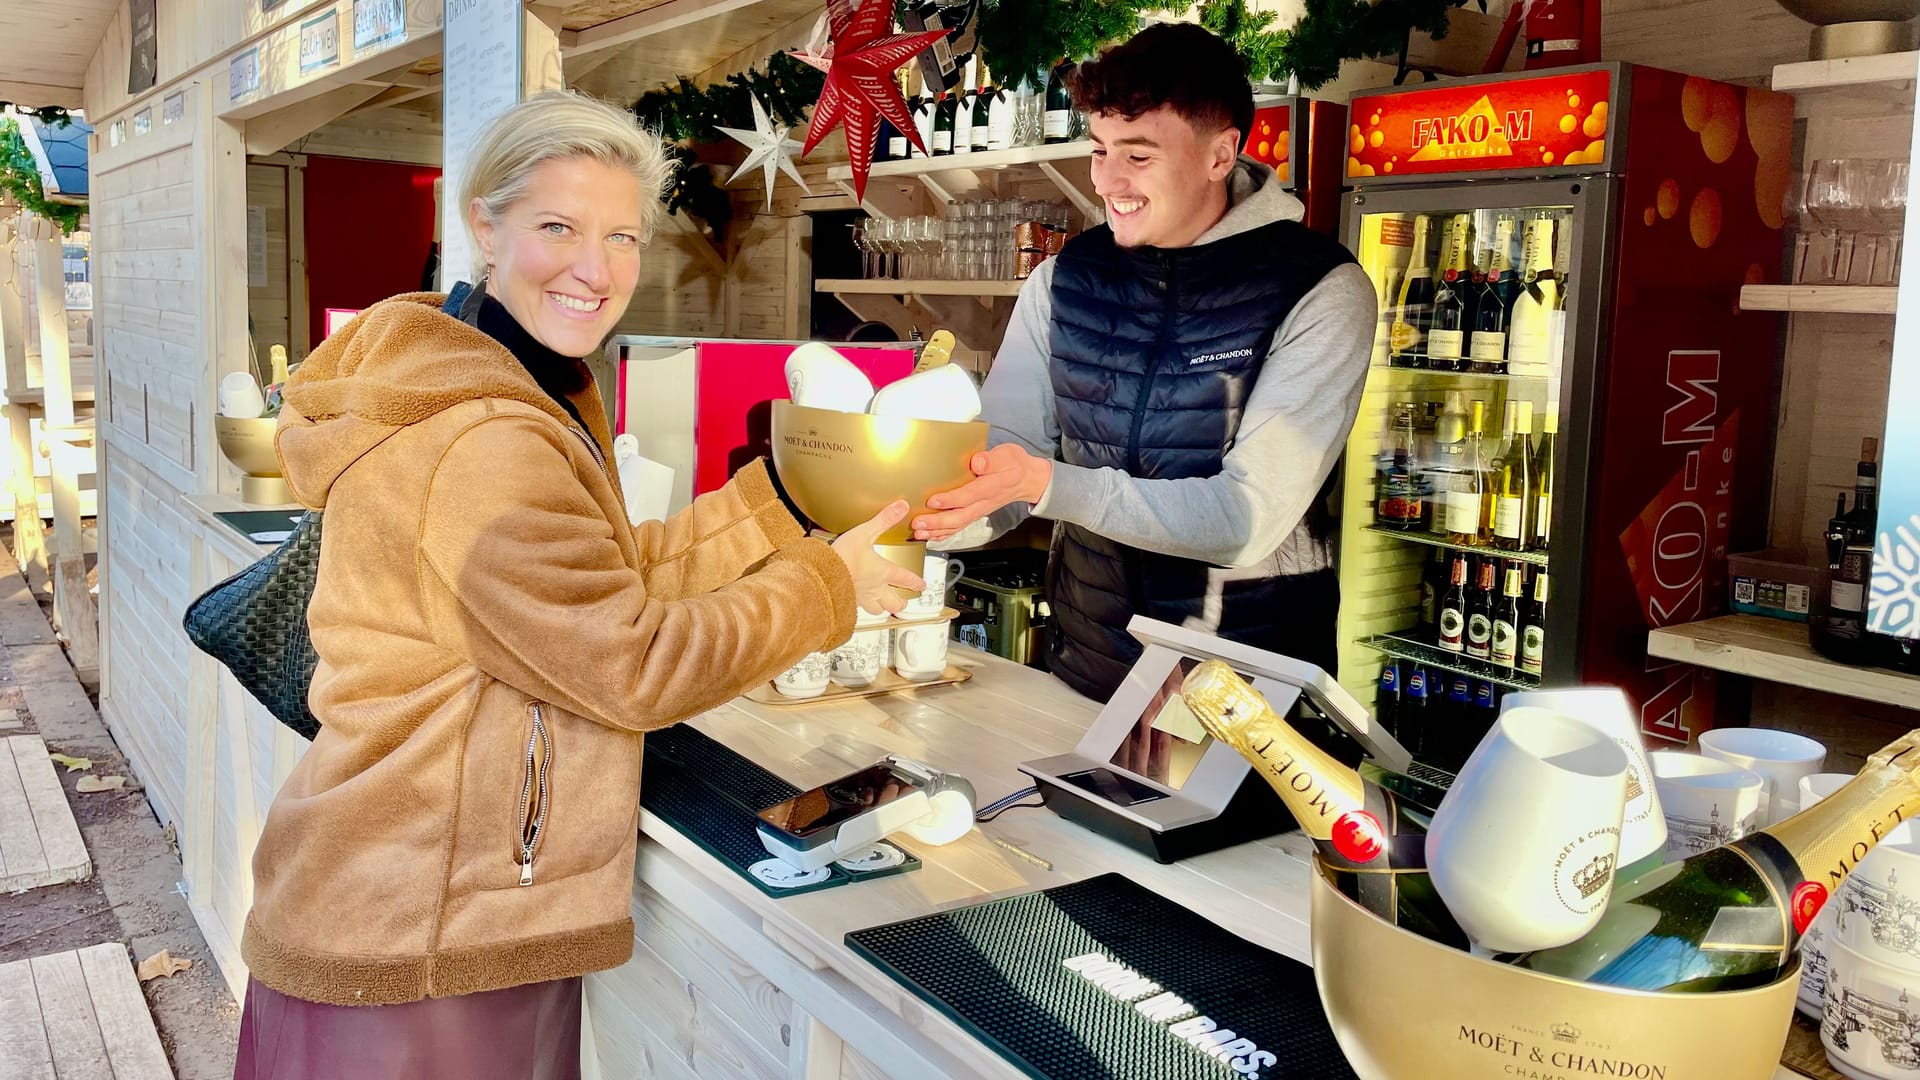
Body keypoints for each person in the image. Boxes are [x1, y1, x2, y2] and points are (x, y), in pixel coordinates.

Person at [232, 90, 921, 1080]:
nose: (596, 270)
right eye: (558, 227)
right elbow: (631, 663)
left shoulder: (492, 381)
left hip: (413, 906)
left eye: (624, 237)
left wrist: (779, 501)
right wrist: (824, 590)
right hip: (426, 947)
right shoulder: (486, 438)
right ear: (484, 222)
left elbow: (600, 583)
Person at [912, 24, 1377, 703]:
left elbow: (1242, 520)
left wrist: (1046, 484)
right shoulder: (1064, 279)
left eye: (1138, 155)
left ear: (1220, 155)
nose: (1107, 180)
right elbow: (1005, 451)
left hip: (1246, 702)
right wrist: (920, 523)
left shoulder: (1318, 291)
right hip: (1086, 674)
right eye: (1100, 151)